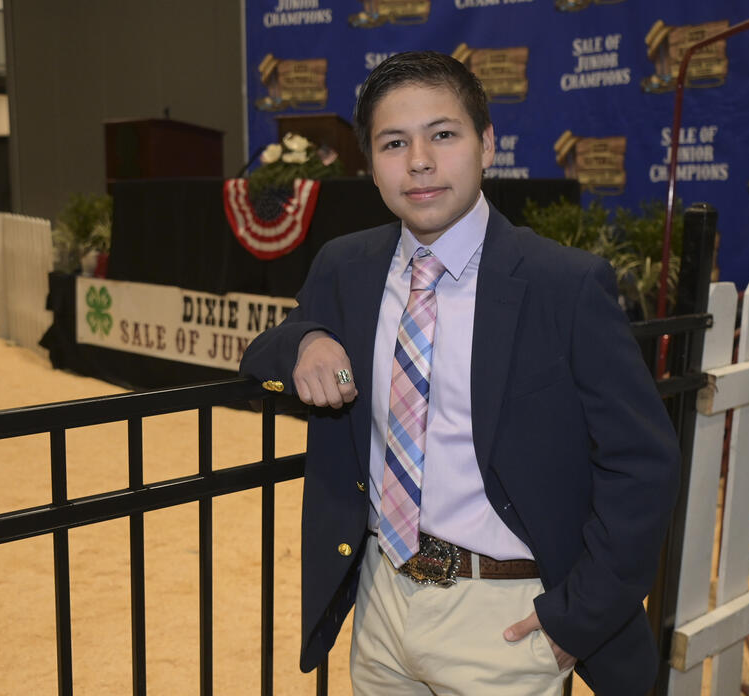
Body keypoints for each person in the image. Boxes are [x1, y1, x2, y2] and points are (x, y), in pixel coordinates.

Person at [240, 51, 679, 696]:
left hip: (505, 616)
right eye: (394, 142)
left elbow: (644, 463)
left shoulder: (563, 285)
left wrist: (571, 621)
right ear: (371, 165)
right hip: (382, 606)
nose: (419, 160)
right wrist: (304, 339)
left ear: (487, 145)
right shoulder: (347, 267)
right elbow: (265, 351)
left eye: (443, 134)